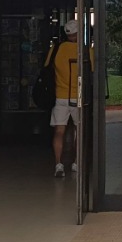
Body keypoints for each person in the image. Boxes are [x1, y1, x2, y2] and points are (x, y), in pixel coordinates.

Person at [45, 17, 82, 178]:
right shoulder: (85, 50)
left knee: (59, 131)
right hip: (78, 96)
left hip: (60, 96)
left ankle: (58, 164)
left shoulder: (56, 50)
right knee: (79, 131)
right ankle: (76, 162)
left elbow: (47, 67)